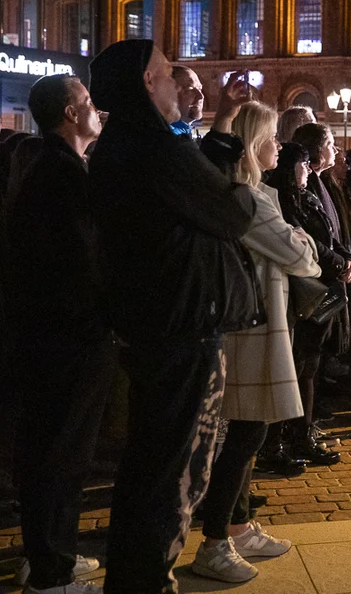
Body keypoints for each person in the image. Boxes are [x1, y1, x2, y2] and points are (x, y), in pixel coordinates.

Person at [87, 40, 261, 594]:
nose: (177, 83)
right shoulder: (150, 147)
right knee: (171, 471)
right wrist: (244, 195)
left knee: (156, 462)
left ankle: (140, 576)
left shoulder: (140, 146)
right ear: (145, 83)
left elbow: (199, 186)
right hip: (179, 330)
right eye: (166, 73)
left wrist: (227, 122)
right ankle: (146, 580)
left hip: (166, 325)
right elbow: (229, 210)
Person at [193, 102, 320, 583]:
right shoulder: (249, 197)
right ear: (250, 145)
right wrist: (302, 241)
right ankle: (215, 539)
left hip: (258, 322)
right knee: (246, 431)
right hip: (250, 327)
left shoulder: (257, 192)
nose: (279, 147)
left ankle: (238, 525)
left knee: (251, 428)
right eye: (270, 138)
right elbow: (297, 253)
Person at [1, 75, 107, 594]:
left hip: (55, 336)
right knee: (59, 455)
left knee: (57, 452)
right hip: (66, 338)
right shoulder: (62, 174)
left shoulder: (54, 167)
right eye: (88, 102)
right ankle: (50, 573)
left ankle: (50, 554)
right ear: (70, 113)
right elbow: (81, 263)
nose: (97, 110)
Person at [276, 123, 351, 466]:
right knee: (300, 363)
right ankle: (286, 438)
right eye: (304, 164)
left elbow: (331, 233)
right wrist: (338, 260)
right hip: (308, 289)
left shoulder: (312, 192)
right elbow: (307, 239)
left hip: (328, 286)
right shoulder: (284, 196)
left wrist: (346, 260)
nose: (309, 169)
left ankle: (302, 432)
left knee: (311, 361)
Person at [169, 65, 204, 138]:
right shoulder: (169, 137)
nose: (200, 96)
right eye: (189, 89)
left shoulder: (184, 133)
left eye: (200, 89)